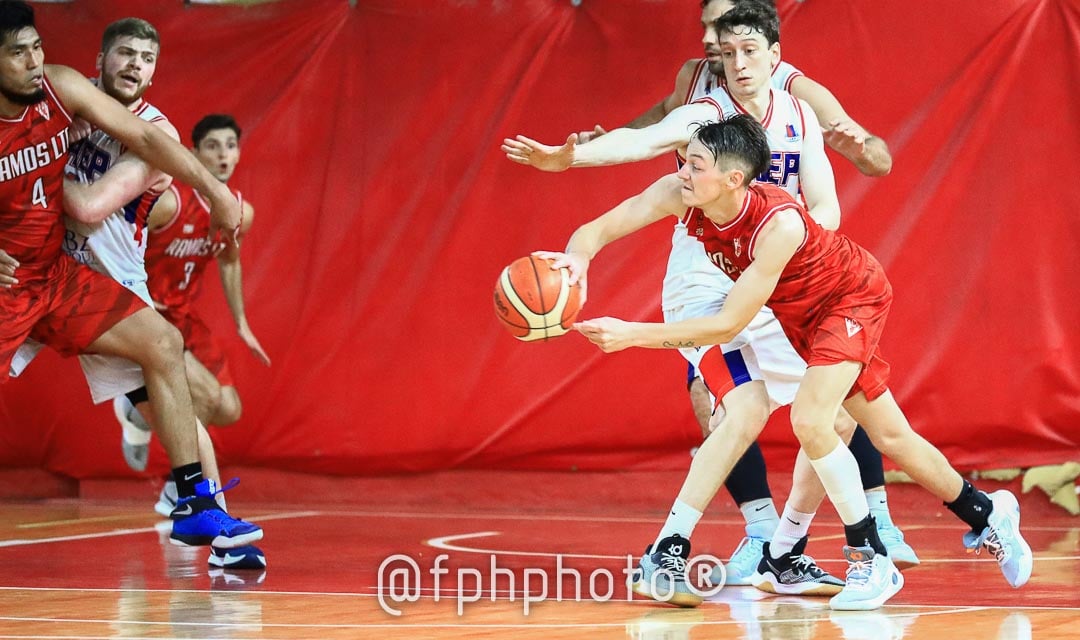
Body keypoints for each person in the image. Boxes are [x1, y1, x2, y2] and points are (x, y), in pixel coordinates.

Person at [506, 3, 915, 592]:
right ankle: (672, 550)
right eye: (724, 51)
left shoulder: (799, 107)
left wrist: (789, 236)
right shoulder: (704, 110)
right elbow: (645, 140)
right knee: (740, 408)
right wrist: (570, 161)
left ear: (773, 51)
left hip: (776, 280)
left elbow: (845, 188)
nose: (734, 60)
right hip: (707, 284)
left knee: (836, 413)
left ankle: (788, 548)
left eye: (746, 49)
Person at [557, 114, 1031, 610]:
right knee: (891, 436)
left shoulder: (776, 224)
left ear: (732, 179)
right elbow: (601, 226)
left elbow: (726, 324)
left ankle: (870, 558)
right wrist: (578, 258)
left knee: (810, 418)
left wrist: (633, 334)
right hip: (799, 317)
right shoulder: (682, 193)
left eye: (694, 164)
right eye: (684, 161)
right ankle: (986, 514)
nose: (682, 171)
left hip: (850, 300)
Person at [0, 1, 260, 552]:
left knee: (169, 355)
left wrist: (211, 190)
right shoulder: (73, 108)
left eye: (37, 47)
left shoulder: (67, 92)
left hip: (79, 276)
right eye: (17, 52)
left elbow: (103, 193)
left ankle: (202, 510)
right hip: (16, 280)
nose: (33, 62)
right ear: (103, 59)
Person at [116, 113, 269, 521]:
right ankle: (178, 489)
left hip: (185, 316)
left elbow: (230, 260)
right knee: (202, 396)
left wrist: (241, 322)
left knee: (229, 409)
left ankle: (135, 413)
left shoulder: (238, 211)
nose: (223, 154)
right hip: (149, 314)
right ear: (193, 152)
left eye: (230, 146)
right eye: (212, 146)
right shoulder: (170, 201)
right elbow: (115, 234)